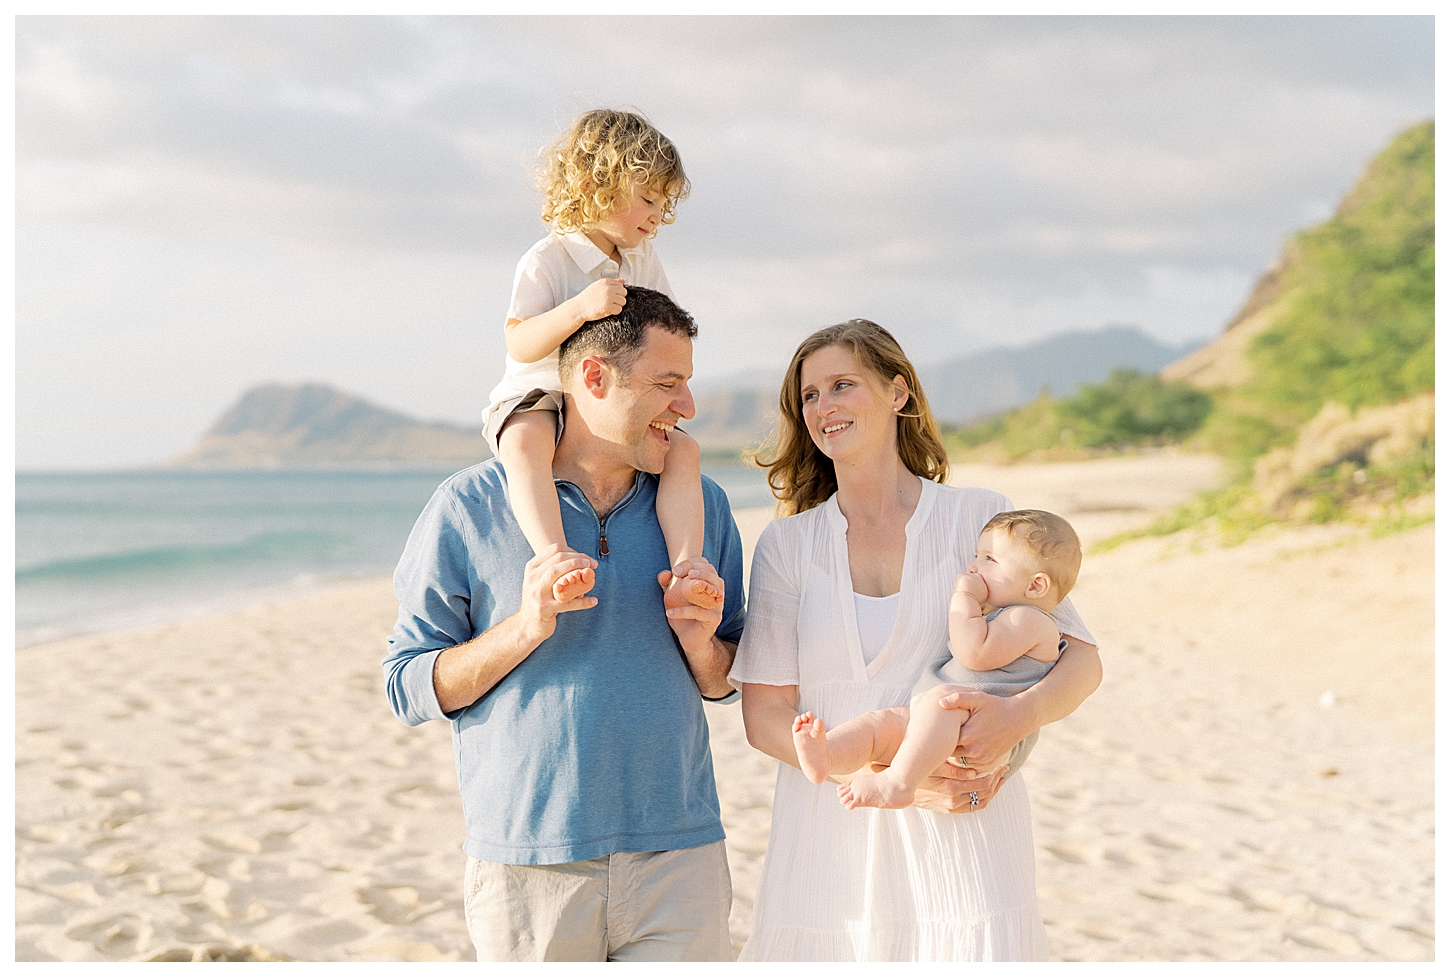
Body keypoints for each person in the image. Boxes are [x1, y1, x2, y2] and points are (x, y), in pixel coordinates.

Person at [384, 287, 744, 962]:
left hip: (681, 859)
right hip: (529, 870)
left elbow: (732, 675)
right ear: (594, 377)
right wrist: (525, 625)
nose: (687, 407)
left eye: (687, 385)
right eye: (668, 384)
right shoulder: (468, 506)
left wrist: (702, 645)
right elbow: (407, 684)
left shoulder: (702, 509)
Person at [730, 319, 1102, 961]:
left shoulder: (976, 519)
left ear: (898, 392)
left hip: (963, 832)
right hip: (830, 838)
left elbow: (1083, 662)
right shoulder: (786, 546)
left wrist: (1016, 716)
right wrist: (901, 772)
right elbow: (765, 719)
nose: (823, 407)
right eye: (809, 396)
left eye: (842, 384)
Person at [483, 107, 721, 614]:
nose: (658, 216)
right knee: (526, 441)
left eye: (665, 203)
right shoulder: (547, 259)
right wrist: (580, 309)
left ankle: (686, 567)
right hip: (542, 391)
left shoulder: (642, 260)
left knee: (685, 453)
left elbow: (665, 326)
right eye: (648, 199)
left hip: (615, 398)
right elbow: (520, 343)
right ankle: (554, 555)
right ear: (597, 186)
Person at [792, 508, 1082, 810]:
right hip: (943, 720)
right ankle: (828, 754)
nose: (973, 567)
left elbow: (973, 653)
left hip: (983, 732)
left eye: (989, 560)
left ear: (1036, 585)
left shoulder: (1030, 620)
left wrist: (964, 599)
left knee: (943, 699)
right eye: (977, 555)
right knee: (879, 726)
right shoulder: (1004, 614)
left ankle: (898, 784)